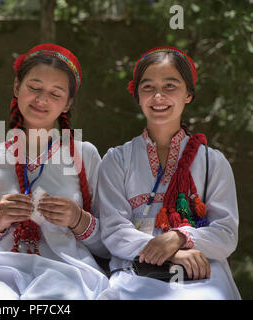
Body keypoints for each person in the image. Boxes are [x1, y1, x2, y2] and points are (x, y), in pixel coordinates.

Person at [0, 44, 113, 300]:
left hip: (66, 273)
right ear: (17, 87)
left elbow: (110, 243)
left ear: (68, 103)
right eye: (34, 88)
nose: (41, 99)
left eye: (55, 93)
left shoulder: (85, 155)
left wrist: (78, 219)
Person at [97, 46, 241, 299]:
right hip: (135, 272)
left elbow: (226, 234)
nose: (158, 96)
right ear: (138, 95)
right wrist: (171, 251)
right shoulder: (117, 160)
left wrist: (179, 236)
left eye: (170, 86)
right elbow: (114, 231)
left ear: (188, 94)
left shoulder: (212, 162)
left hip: (200, 273)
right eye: (148, 87)